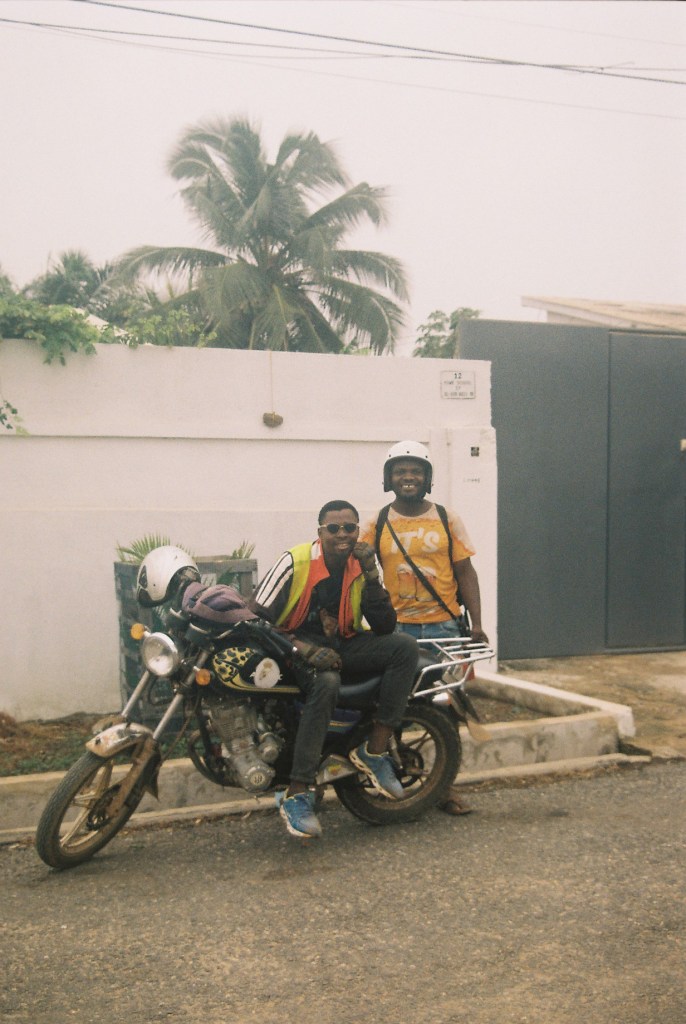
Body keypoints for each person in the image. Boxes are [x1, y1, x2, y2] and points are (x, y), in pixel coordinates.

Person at [250, 499, 419, 839]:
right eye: (334, 528)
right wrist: (303, 649)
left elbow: (385, 626)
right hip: (291, 645)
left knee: (405, 647)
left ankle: (373, 751)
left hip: (341, 643)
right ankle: (297, 792)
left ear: (358, 531)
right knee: (326, 682)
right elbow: (255, 620)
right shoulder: (294, 561)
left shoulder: (361, 564)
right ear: (320, 532)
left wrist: (372, 576)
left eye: (350, 528)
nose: (342, 535)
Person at [361, 440, 489, 816]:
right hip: (395, 632)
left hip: (444, 629)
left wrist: (477, 624)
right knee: (392, 706)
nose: (408, 477)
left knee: (444, 709)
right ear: (389, 478)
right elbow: (357, 571)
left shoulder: (448, 519)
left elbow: (465, 572)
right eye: (400, 471)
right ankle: (396, 780)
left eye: (416, 470)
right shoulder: (376, 522)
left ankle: (443, 788)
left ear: (427, 478)